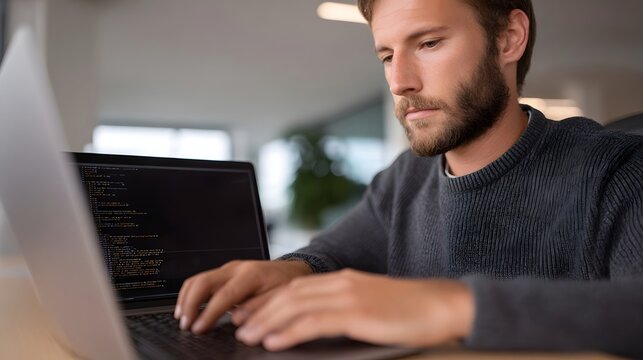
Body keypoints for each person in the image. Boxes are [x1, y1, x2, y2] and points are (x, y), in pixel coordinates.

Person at [174, 0, 643, 356]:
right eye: (385, 55)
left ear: (508, 38)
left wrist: (449, 306)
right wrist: (286, 271)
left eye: (428, 43)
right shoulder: (405, 180)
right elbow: (331, 255)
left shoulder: (619, 170)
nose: (399, 81)